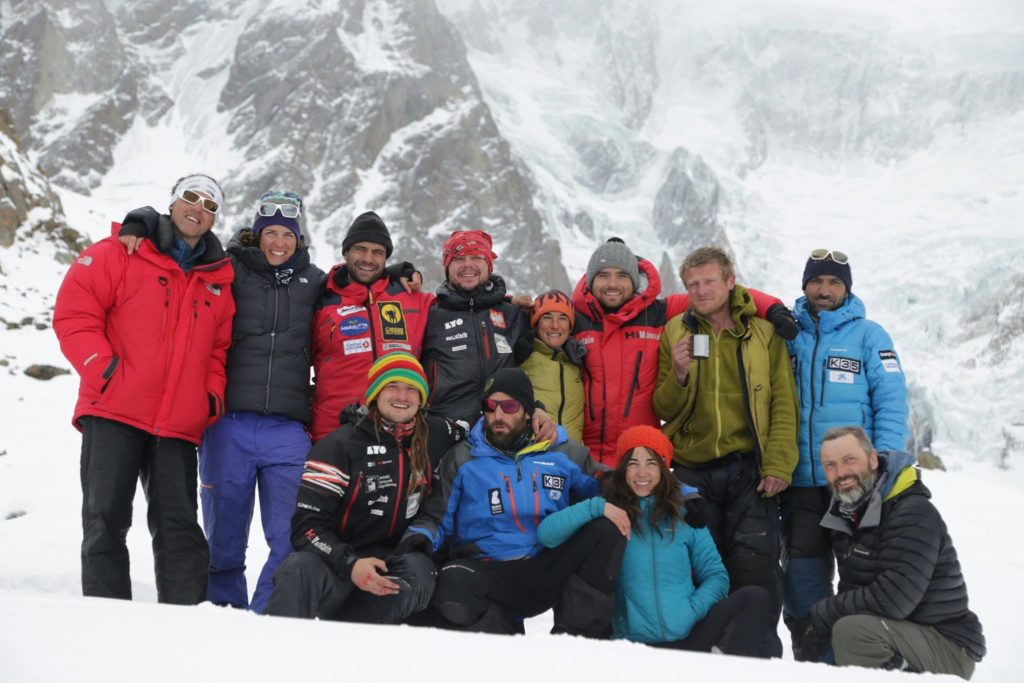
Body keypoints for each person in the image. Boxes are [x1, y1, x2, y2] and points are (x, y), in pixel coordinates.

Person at [53, 173, 235, 603]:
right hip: (113, 410)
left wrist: (207, 398)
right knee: (105, 520)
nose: (198, 209)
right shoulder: (120, 251)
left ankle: (184, 623)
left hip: (177, 424)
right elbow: (74, 314)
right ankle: (107, 616)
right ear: (171, 202)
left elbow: (219, 350)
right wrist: (105, 371)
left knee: (179, 529)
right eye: (190, 197)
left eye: (209, 205)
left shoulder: (219, 280)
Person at [402, 368, 625, 636]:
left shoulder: (560, 452)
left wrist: (666, 490)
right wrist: (420, 537)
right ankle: (506, 639)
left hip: (546, 564)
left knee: (606, 530)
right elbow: (438, 518)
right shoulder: (463, 458)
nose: (498, 415)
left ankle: (572, 638)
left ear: (529, 411)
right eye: (490, 406)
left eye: (509, 406)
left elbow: (615, 484)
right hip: (488, 569)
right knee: (453, 582)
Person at [653, 245, 798, 656]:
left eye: (708, 281)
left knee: (757, 565)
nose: (700, 291)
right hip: (692, 469)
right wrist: (679, 374)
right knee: (701, 570)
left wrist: (778, 464)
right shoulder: (675, 331)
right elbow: (663, 408)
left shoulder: (763, 333)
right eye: (692, 284)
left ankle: (756, 656)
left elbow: (783, 403)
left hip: (749, 468)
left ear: (731, 281)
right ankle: (704, 658)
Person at [538, 426, 774, 656]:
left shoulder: (686, 512)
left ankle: (720, 671)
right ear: (622, 468)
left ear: (663, 468)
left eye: (651, 463)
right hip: (633, 648)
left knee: (755, 598)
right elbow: (546, 534)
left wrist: (693, 610)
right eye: (633, 463)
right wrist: (595, 507)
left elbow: (716, 576)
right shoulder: (609, 513)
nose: (642, 473)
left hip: (689, 637)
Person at [263, 353, 460, 623]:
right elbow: (306, 528)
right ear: (375, 394)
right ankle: (276, 646)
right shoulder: (338, 446)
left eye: (411, 388)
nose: (402, 396)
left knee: (421, 570)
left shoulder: (434, 434)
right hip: (338, 561)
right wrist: (351, 564)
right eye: (392, 386)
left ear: (422, 398)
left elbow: (483, 431)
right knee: (298, 567)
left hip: (391, 562)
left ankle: (355, 638)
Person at [782, 248, 909, 659]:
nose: (824, 290)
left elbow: (891, 402)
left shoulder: (870, 336)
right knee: (802, 577)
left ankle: (855, 660)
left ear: (847, 289)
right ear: (805, 286)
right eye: (816, 281)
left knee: (860, 579)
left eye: (834, 282)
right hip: (802, 482)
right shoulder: (787, 334)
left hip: (856, 485)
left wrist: (884, 462)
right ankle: (812, 656)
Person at [572, 238, 795, 466]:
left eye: (622, 276)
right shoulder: (571, 320)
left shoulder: (658, 313)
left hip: (641, 457)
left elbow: (724, 295)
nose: (612, 284)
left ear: (634, 280)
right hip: (584, 457)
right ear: (590, 280)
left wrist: (772, 308)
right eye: (603, 275)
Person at [797, 427, 985, 679]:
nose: (840, 473)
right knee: (837, 636)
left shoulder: (912, 512)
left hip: (947, 645)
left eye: (849, 460)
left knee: (851, 632)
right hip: (899, 633)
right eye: (830, 465)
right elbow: (855, 591)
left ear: (873, 459)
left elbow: (894, 600)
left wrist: (824, 614)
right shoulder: (847, 514)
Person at [310, 211, 435, 442]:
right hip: (334, 432)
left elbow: (461, 305)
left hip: (398, 434)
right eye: (360, 249)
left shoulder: (413, 299)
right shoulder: (320, 302)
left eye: (377, 252)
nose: (368, 258)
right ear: (346, 252)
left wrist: (504, 301)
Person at [420, 230, 533, 425]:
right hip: (444, 426)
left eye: (476, 257)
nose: (467, 264)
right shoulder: (429, 314)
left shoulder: (513, 313)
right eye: (458, 259)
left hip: (500, 426)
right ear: (447, 267)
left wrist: (536, 408)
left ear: (488, 265)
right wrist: (400, 272)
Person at [519, 290, 586, 441]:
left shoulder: (578, 363)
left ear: (570, 327)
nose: (555, 326)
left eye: (563, 318)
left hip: (573, 453)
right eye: (547, 317)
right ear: (535, 324)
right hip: (534, 451)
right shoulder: (521, 358)